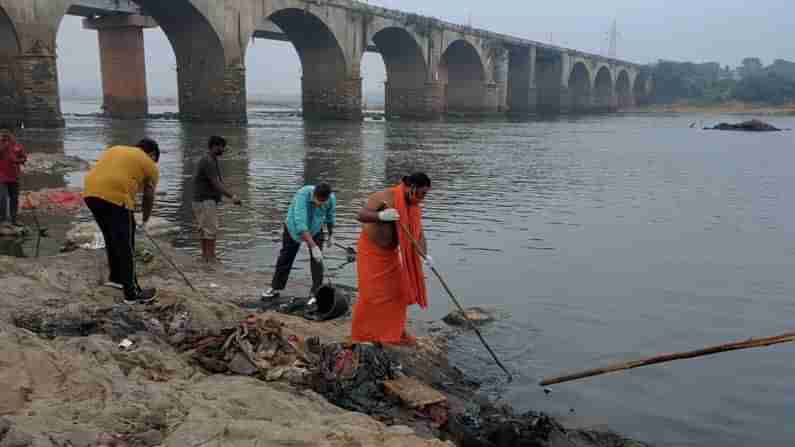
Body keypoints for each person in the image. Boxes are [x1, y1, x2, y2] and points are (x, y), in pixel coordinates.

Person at [351, 173, 432, 346]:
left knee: (398, 293)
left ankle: (394, 332)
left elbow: (418, 233)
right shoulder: (385, 196)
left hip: (391, 255)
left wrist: (425, 255)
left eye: (426, 194)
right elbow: (361, 215)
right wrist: (380, 216)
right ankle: (364, 334)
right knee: (372, 295)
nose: (423, 198)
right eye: (422, 193)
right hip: (371, 252)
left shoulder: (414, 205)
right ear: (412, 188)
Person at [83, 138, 161, 304]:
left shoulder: (116, 149)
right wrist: (145, 220)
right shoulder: (150, 163)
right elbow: (148, 196)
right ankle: (132, 293)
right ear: (152, 154)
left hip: (90, 192)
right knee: (126, 245)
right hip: (116, 196)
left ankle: (116, 278)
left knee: (111, 237)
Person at [261, 183, 336, 300]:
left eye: (323, 202)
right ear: (314, 194)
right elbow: (300, 224)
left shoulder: (331, 199)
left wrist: (331, 234)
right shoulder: (303, 194)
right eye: (318, 200)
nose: (319, 204)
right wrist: (313, 246)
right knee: (286, 257)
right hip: (293, 229)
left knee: (317, 260)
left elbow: (330, 217)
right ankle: (275, 288)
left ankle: (316, 291)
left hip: (316, 228)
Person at [192, 135, 241, 264]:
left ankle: (205, 257)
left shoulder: (211, 159)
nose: (223, 150)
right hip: (205, 201)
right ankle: (211, 257)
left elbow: (217, 182)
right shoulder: (208, 161)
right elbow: (216, 183)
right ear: (214, 146)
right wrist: (232, 196)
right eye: (221, 147)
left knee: (204, 229)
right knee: (210, 230)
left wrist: (224, 196)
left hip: (202, 200)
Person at [0, 128, 27, 228]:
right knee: (2, 198)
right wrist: (4, 146)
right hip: (1, 177)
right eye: (3, 134)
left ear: (12, 135)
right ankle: (2, 220)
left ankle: (14, 219)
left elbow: (24, 157)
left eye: (8, 134)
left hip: (14, 177)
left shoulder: (17, 145)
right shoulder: (1, 144)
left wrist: (18, 161)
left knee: (14, 199)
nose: (6, 136)